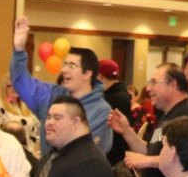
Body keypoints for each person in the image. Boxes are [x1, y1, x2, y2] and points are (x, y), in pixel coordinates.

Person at [8, 18, 113, 158]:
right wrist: (19, 50)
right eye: (65, 64)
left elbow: (91, 150)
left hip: (80, 170)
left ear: (87, 74)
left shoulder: (101, 110)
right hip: (50, 169)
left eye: (72, 66)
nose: (64, 70)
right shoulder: (52, 94)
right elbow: (21, 83)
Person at [111, 63, 188, 177]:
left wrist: (147, 161)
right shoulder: (165, 115)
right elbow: (149, 150)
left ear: (172, 84)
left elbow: (186, 159)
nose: (148, 88)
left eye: (154, 82)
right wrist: (126, 130)